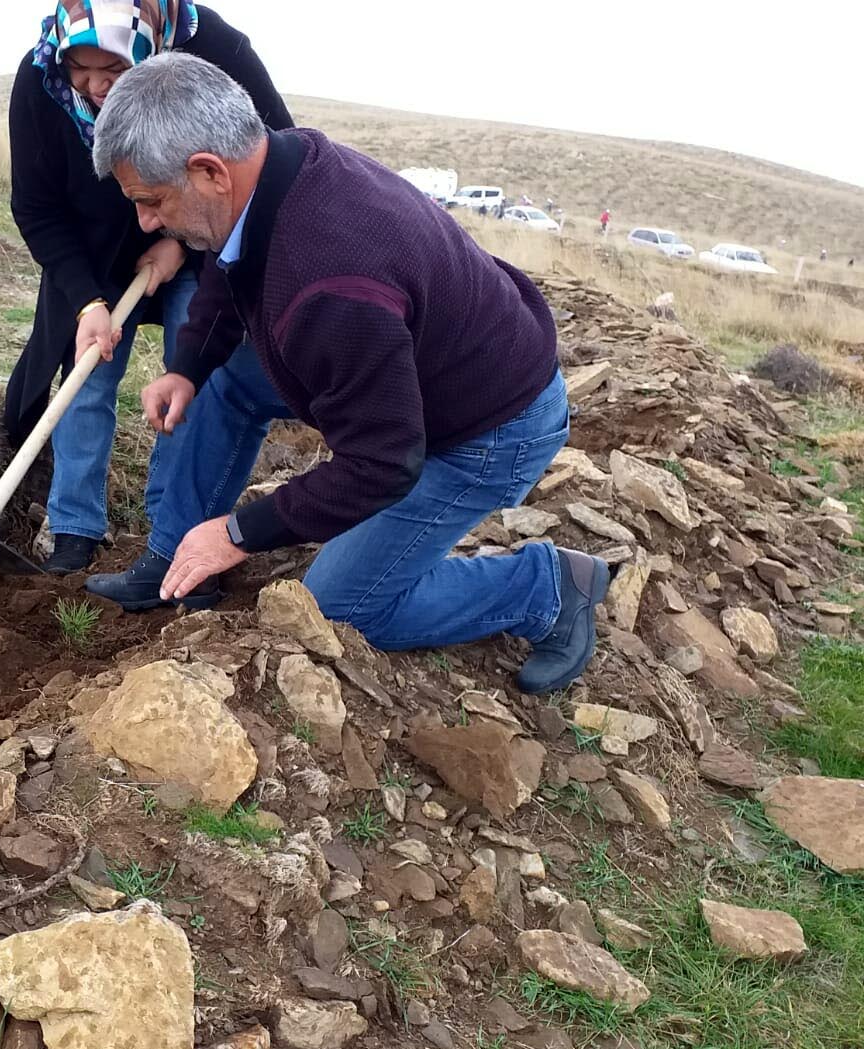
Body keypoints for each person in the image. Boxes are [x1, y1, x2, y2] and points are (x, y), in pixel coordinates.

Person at [86, 54, 608, 695]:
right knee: (223, 384)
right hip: (411, 363)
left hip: (485, 428)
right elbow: (230, 255)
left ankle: (548, 586)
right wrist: (188, 367)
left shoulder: (330, 280)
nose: (145, 222)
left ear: (209, 171)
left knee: (341, 605)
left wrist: (242, 532)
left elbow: (383, 462)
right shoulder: (278, 165)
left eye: (151, 201)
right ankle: (177, 560)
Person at [7, 1, 292, 575]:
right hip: (90, 255)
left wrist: (182, 245)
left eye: (111, 73)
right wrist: (86, 300)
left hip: (200, 242)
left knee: (195, 376)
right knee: (88, 370)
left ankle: (172, 532)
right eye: (78, 72)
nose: (92, 88)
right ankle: (73, 532)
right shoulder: (40, 77)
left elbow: (271, 157)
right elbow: (36, 206)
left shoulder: (217, 49)